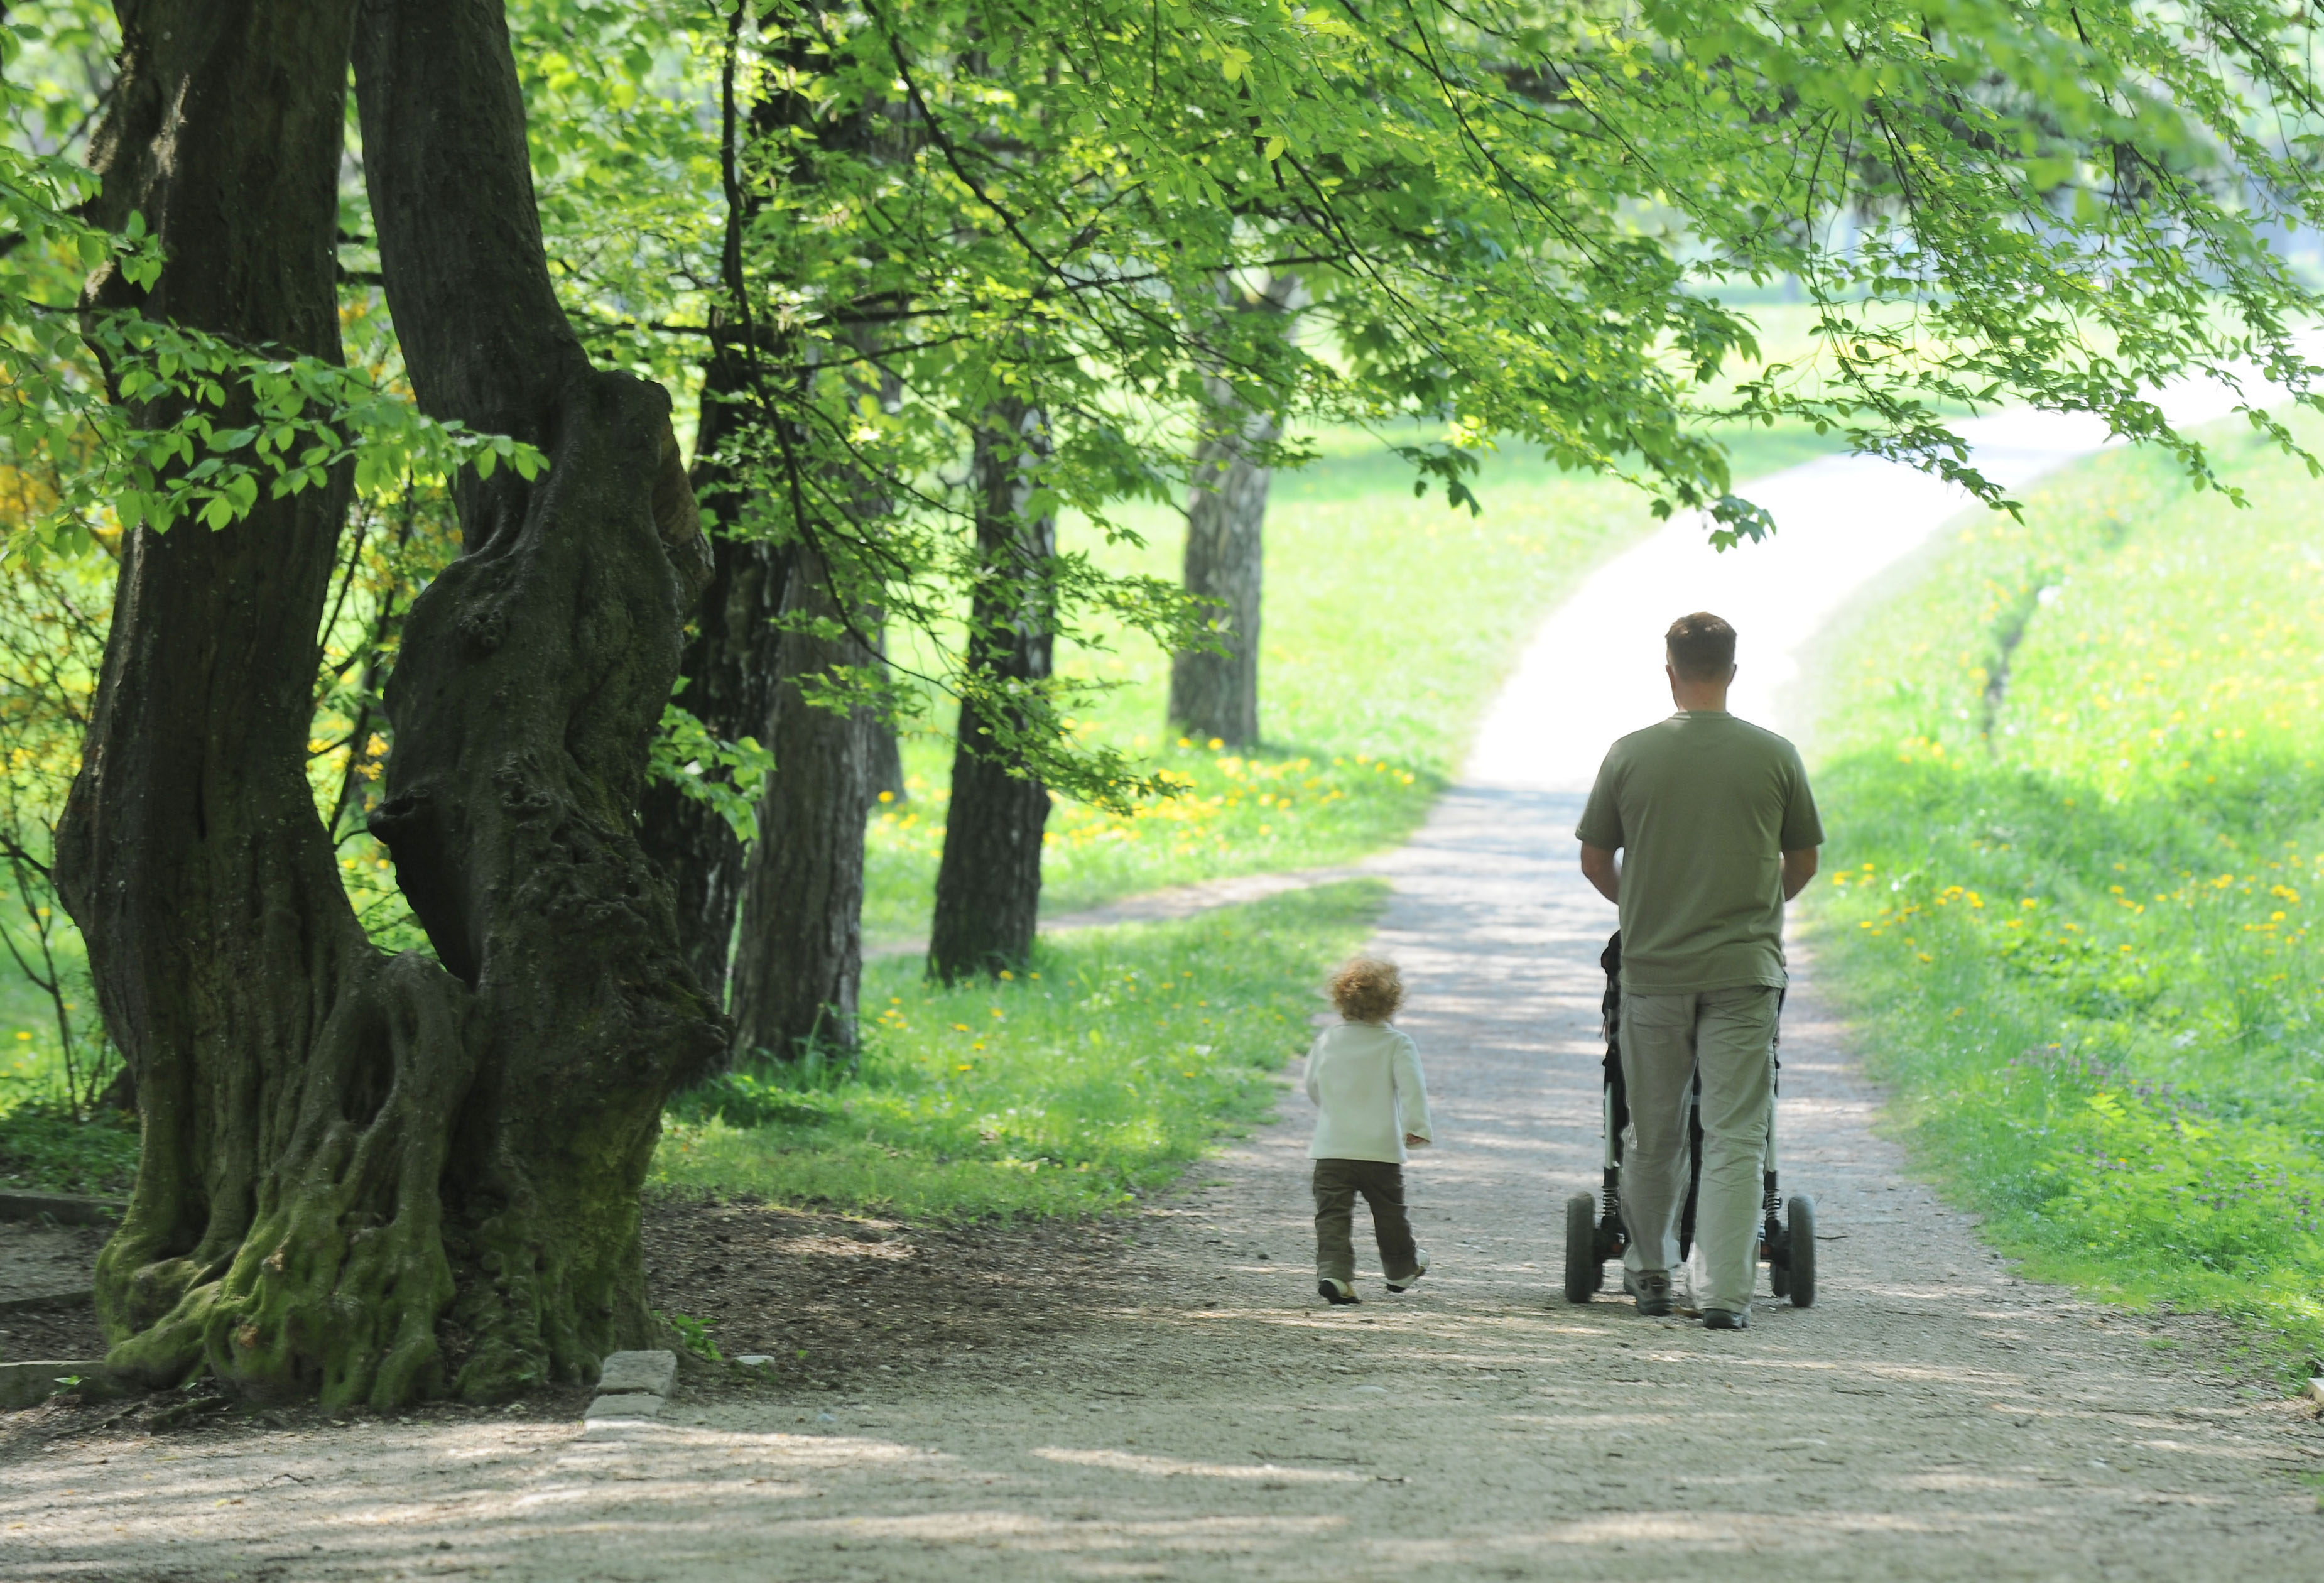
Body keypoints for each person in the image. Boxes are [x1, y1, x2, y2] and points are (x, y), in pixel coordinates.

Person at [1574, 612, 1822, 1330]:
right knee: (1737, 1134)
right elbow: (1800, 862)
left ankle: (1650, 1273)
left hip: (1653, 972)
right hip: (1744, 972)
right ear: (1734, 671)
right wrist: (1752, 909)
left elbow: (1596, 860)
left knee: (1650, 1133)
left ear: (1669, 672)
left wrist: (1647, 908)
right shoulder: (1774, 756)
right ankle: (1721, 1294)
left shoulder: (1629, 755)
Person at [1305, 956, 1433, 1305]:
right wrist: (1416, 1127)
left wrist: (1333, 1111)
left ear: (1341, 1001)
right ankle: (1401, 1268)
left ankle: (1335, 1273)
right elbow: (1412, 1089)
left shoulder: (1328, 1040)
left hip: (1332, 1148)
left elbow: (1313, 1084)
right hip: (1380, 1150)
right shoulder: (1397, 1043)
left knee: (1332, 1214)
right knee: (1389, 1211)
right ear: (1392, 1003)